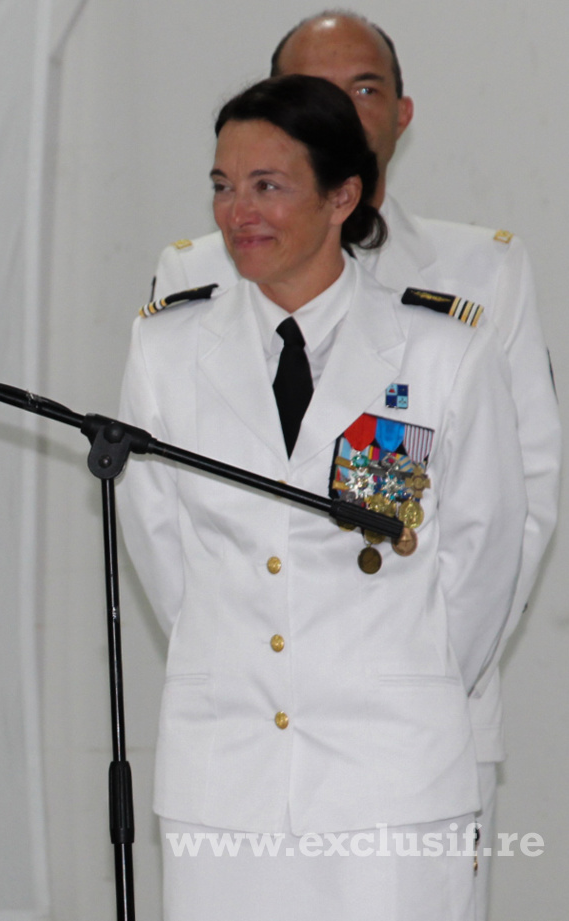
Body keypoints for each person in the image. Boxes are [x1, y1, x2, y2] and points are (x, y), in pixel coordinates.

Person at [148, 14, 559, 913]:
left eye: (267, 185)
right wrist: (252, 652)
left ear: (344, 193)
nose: (239, 210)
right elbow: (165, 543)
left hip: (395, 750)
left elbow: (493, 538)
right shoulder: (172, 338)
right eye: (224, 186)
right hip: (231, 756)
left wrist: (399, 670)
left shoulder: (447, 333)